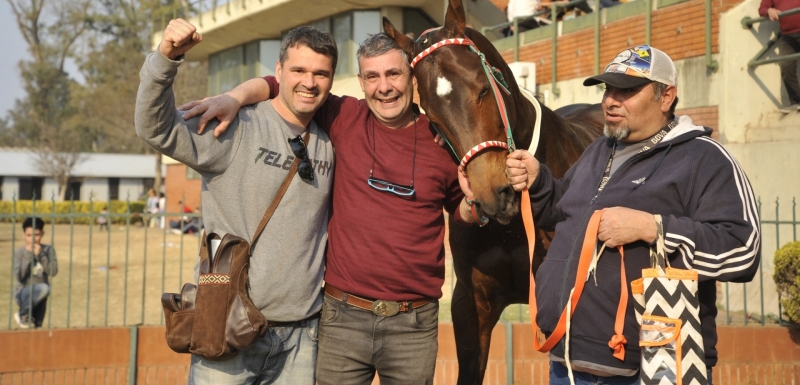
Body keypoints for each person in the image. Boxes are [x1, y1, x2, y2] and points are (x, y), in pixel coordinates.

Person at [179, 32, 478, 385]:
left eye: (394, 74)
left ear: (412, 77)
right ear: (362, 82)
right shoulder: (343, 116)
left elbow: (463, 210)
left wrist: (475, 204)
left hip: (413, 323)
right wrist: (233, 97)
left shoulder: (443, 140)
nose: (384, 87)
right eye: (372, 76)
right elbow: (283, 84)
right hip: (342, 318)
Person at [506, 45, 761, 384]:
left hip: (653, 368)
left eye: (626, 91)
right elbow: (563, 210)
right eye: (608, 89)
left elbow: (743, 250)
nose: (610, 100)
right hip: (567, 362)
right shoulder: (600, 148)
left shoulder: (705, 158)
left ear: (666, 96)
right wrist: (539, 181)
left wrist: (654, 228)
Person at [135, 19, 336, 384]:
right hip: (228, 328)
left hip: (302, 339)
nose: (309, 81)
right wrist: (165, 59)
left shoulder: (331, 140)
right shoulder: (235, 125)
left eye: (321, 73)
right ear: (278, 72)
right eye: (299, 70)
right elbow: (156, 128)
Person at [758, 0, 800, 114]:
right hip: (787, 34)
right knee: (786, 67)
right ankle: (796, 101)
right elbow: (762, 9)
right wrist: (769, 10)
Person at [14, 217, 58, 329]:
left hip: (41, 297)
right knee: (44, 288)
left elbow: (52, 272)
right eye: (29, 235)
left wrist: (41, 255)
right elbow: (20, 276)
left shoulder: (48, 250)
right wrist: (29, 255)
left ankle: (25, 317)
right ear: (24, 235)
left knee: (36, 327)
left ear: (42, 234)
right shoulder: (19, 252)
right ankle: (22, 313)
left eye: (37, 235)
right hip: (23, 293)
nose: (33, 239)